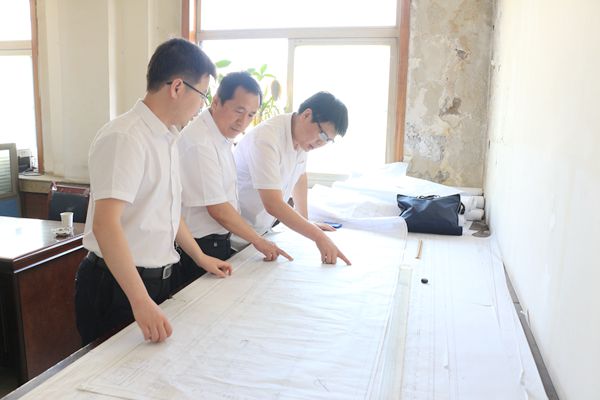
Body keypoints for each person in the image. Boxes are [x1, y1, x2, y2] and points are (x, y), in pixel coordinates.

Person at [75, 38, 232, 346]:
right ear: (177, 87)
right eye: (202, 95)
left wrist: (201, 257)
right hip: (117, 287)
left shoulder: (167, 138)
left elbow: (167, 213)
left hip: (153, 282)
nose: (201, 106)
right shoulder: (125, 137)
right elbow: (106, 225)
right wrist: (140, 300)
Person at [176, 71, 292, 288]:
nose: (243, 122)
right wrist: (258, 241)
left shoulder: (220, 136)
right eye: (239, 111)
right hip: (198, 248)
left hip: (216, 241)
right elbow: (218, 209)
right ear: (216, 102)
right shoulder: (200, 142)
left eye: (251, 115)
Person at [233, 91, 351, 265]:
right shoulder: (266, 138)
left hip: (260, 234)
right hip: (235, 237)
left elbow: (300, 175)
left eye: (328, 141)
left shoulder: (303, 139)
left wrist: (306, 221)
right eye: (322, 135)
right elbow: (273, 203)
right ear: (307, 115)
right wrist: (319, 237)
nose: (321, 144)